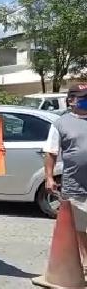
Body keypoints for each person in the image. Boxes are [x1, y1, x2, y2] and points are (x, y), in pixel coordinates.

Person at [44, 83, 87, 269]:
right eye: (83, 98)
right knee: (80, 227)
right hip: (75, 183)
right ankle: (85, 262)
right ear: (71, 101)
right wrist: (49, 177)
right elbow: (51, 152)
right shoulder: (60, 124)